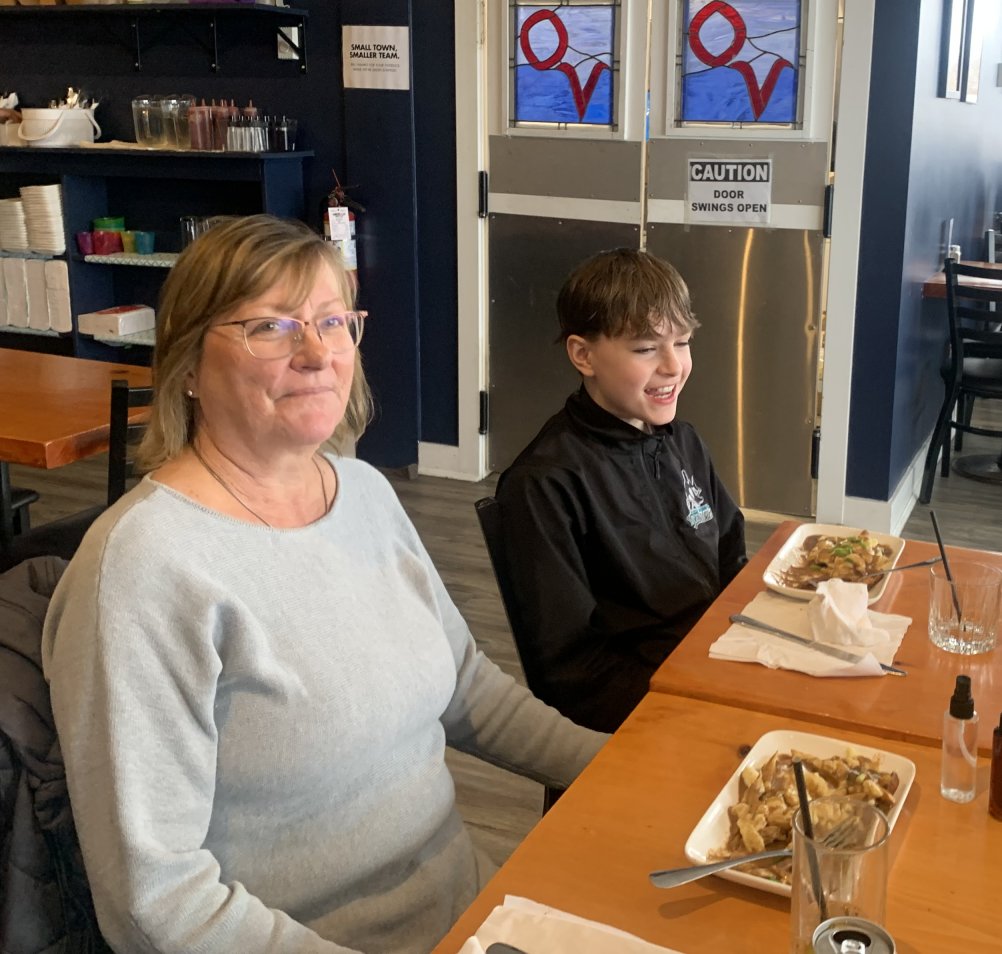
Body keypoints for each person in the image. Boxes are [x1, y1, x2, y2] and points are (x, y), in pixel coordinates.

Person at [41, 215, 606, 954]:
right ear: (187, 366)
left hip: (475, 915)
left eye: (333, 321)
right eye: (270, 327)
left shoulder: (362, 491)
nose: (316, 353)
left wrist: (619, 767)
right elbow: (157, 901)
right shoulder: (143, 569)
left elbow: (467, 688)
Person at [494, 248, 747, 733]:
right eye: (646, 348)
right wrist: (697, 705)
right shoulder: (544, 484)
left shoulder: (684, 442)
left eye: (683, 342)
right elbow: (572, 671)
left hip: (720, 664)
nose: (673, 366)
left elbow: (731, 559)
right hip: (653, 708)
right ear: (583, 355)